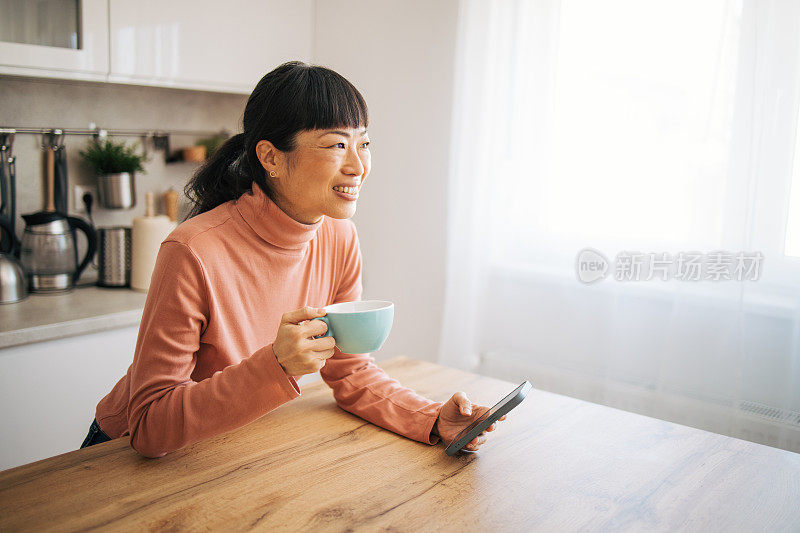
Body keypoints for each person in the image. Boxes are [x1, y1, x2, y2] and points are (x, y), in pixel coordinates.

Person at [80, 61, 506, 458]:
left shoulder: (339, 236)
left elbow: (350, 371)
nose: (358, 166)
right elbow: (151, 424)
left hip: (227, 448)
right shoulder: (192, 250)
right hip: (120, 455)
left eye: (364, 144)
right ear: (270, 158)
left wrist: (432, 419)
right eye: (337, 145)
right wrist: (275, 365)